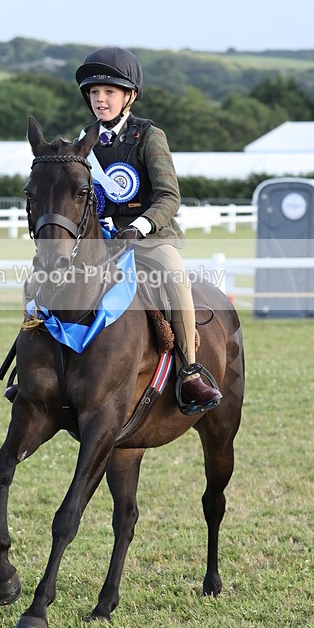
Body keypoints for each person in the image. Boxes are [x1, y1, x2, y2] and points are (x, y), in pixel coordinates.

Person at [75, 46, 222, 411]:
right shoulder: (84, 140)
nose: (100, 99)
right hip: (102, 239)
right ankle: (38, 370)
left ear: (130, 95)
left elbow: (170, 196)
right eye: (94, 92)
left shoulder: (149, 136)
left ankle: (190, 371)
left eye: (109, 92)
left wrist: (139, 227)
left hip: (149, 238)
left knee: (175, 278)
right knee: (52, 277)